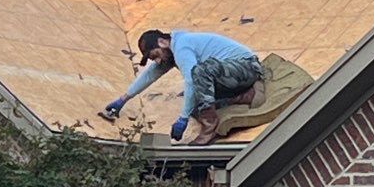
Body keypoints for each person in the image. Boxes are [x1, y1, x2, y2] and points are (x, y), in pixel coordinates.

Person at [101, 29, 264, 146]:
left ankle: (210, 126)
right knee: (192, 98)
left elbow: (193, 79)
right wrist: (123, 99)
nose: (157, 61)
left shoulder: (182, 47)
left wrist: (183, 118)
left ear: (162, 42)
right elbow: (150, 74)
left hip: (246, 67)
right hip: (231, 77)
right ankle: (245, 96)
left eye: (155, 55)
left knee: (198, 73)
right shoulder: (169, 51)